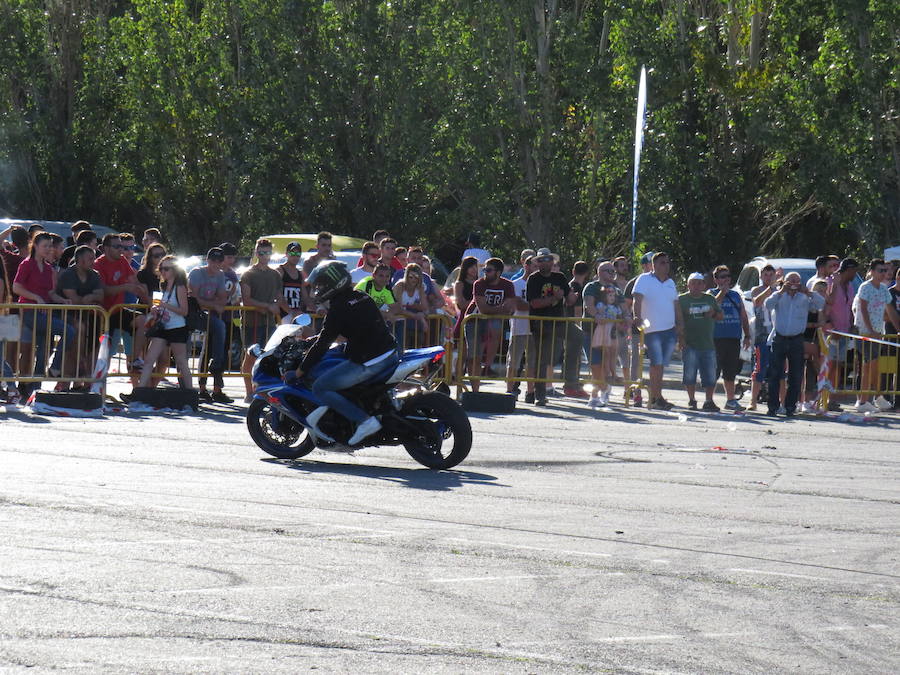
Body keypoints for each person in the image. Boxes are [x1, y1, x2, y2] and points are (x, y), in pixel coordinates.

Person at [292, 261, 399, 446]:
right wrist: (316, 340)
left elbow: (323, 344)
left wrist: (299, 371)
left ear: (333, 284)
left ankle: (364, 421)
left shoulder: (338, 308)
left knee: (320, 387)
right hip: (389, 351)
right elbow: (356, 329)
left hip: (370, 361)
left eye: (321, 285)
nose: (318, 289)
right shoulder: (361, 296)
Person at [11, 232, 76, 386]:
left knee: (42, 352)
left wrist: (63, 300)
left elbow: (50, 293)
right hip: (29, 312)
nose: (48, 249)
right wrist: (36, 298)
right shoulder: (27, 264)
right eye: (45, 246)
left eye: (50, 246)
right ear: (35, 246)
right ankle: (54, 368)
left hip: (44, 312)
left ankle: (35, 388)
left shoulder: (48, 268)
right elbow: (16, 287)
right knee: (69, 331)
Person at [526, 247, 586, 405]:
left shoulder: (560, 277)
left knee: (578, 336)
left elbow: (569, 299)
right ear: (537, 263)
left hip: (559, 320)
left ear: (553, 261)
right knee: (542, 359)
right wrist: (554, 298)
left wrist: (573, 297)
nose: (546, 262)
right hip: (541, 323)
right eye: (542, 260)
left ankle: (570, 376)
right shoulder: (533, 279)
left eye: (548, 259)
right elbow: (534, 303)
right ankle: (539, 394)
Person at [764, 272, 826, 417]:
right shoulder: (779, 296)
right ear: (785, 282)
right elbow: (768, 304)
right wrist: (781, 291)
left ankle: (790, 407)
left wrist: (808, 292)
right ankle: (773, 406)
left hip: (797, 339)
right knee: (774, 374)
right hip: (779, 338)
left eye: (796, 281)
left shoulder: (804, 298)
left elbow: (821, 304)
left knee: (796, 375)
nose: (793, 284)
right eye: (791, 281)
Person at [129, 256, 193, 395]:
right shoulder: (163, 286)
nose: (163, 271)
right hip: (162, 326)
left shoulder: (180, 287)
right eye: (161, 268)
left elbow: (184, 311)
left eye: (167, 269)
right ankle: (139, 393)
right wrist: (155, 310)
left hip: (177, 327)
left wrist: (165, 305)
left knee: (181, 362)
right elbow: (160, 306)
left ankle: (191, 394)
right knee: (149, 360)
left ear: (175, 270)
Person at [240, 238, 289, 402]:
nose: (264, 256)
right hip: (251, 322)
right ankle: (248, 392)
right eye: (261, 252)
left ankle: (262, 392)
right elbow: (246, 299)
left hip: (269, 323)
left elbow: (279, 297)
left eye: (267, 253)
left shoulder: (275, 275)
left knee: (269, 359)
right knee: (251, 357)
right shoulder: (248, 274)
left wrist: (283, 307)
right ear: (256, 253)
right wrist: (268, 306)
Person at [632, 252, 681, 410]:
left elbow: (676, 304)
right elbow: (637, 298)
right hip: (652, 330)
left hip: (669, 329)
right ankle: (655, 397)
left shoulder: (671, 283)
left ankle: (657, 396)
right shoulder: (645, 279)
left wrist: (680, 325)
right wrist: (637, 316)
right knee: (656, 363)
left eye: (667, 262)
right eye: (662, 262)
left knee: (661, 365)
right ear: (653, 265)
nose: (666, 265)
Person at [94, 233, 150, 372]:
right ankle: (96, 386)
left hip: (118, 311)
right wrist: (124, 287)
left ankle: (135, 360)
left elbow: (134, 282)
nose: (121, 249)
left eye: (122, 246)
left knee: (143, 320)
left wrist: (147, 297)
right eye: (117, 246)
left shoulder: (122, 261)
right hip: (103, 314)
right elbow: (103, 290)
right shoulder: (98, 265)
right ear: (106, 249)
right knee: (104, 352)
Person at [853, 259, 900, 412]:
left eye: (885, 271)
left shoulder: (884, 289)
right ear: (872, 271)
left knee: (874, 365)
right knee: (868, 365)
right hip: (864, 332)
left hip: (878, 333)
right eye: (880, 270)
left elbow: (890, 310)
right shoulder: (865, 287)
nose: (884, 273)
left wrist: (898, 328)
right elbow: (863, 309)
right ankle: (863, 401)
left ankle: (877, 397)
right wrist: (870, 329)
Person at [464, 257, 516, 392]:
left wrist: (500, 310)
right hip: (474, 319)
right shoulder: (479, 284)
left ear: (498, 272)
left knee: (496, 328)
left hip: (493, 320)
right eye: (484, 269)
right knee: (473, 356)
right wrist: (500, 309)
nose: (485, 272)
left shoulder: (508, 285)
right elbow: (483, 309)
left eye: (489, 270)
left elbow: (510, 308)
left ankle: (488, 366)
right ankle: (475, 389)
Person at [56, 245, 105, 384]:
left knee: (94, 342)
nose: (93, 261)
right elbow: (74, 300)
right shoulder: (68, 274)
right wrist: (90, 299)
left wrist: (88, 298)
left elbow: (100, 296)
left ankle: (84, 379)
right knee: (78, 332)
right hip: (65, 314)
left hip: (88, 316)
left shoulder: (94, 274)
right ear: (80, 259)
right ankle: (71, 375)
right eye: (90, 258)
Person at [189, 247, 232, 404]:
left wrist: (209, 304)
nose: (215, 263)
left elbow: (223, 299)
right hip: (189, 313)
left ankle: (216, 372)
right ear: (207, 260)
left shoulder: (221, 275)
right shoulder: (196, 273)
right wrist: (212, 304)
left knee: (219, 328)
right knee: (186, 350)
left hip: (205, 315)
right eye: (212, 260)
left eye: (219, 261)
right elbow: (194, 298)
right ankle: (193, 388)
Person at [679, 273, 723, 411]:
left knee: (710, 375)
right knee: (689, 374)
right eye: (693, 283)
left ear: (704, 285)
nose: (696, 286)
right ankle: (692, 400)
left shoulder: (709, 299)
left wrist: (713, 314)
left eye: (699, 283)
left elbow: (720, 316)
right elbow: (677, 321)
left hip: (707, 343)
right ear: (688, 285)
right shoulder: (681, 299)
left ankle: (709, 401)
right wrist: (680, 339)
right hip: (689, 343)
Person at [710, 265, 751, 411]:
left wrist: (747, 335)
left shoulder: (735, 295)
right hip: (716, 338)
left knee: (730, 371)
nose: (726, 279)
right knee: (713, 371)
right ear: (716, 279)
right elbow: (712, 307)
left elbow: (743, 316)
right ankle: (709, 400)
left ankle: (731, 400)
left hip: (733, 337)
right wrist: (722, 292)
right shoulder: (711, 293)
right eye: (722, 277)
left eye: (728, 276)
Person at [622, 252, 654, 406]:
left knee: (656, 362)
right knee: (636, 362)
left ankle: (655, 394)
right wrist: (629, 324)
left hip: (656, 329)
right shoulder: (634, 282)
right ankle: (636, 393)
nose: (654, 266)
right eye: (651, 263)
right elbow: (626, 305)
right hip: (637, 330)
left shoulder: (662, 282)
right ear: (644, 265)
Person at [824, 257, 858, 404]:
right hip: (830, 334)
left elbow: (849, 308)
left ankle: (833, 399)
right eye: (854, 272)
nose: (854, 275)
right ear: (848, 270)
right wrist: (831, 328)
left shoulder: (850, 287)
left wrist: (852, 324)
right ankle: (822, 398)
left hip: (844, 332)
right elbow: (825, 306)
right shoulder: (830, 282)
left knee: (839, 366)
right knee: (829, 365)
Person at [747, 264, 780, 411]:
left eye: (771, 275)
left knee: (779, 371)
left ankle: (779, 402)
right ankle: (753, 401)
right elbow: (757, 302)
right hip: (761, 336)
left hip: (777, 336)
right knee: (759, 368)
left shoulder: (779, 291)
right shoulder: (757, 290)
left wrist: (778, 287)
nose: (768, 278)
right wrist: (771, 287)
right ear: (761, 277)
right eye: (765, 275)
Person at [587, 285, 623, 407]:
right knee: (601, 357)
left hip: (611, 331)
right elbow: (595, 311)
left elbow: (620, 317)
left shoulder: (617, 308)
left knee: (611, 354)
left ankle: (612, 373)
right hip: (602, 330)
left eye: (613, 295)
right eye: (609, 295)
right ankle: (602, 387)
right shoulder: (601, 306)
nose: (612, 297)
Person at [506, 254, 535, 401]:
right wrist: (537, 305)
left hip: (534, 328)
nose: (536, 269)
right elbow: (518, 304)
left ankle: (531, 392)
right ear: (526, 266)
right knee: (514, 360)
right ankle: (510, 389)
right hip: (519, 327)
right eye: (534, 265)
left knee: (532, 361)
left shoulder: (538, 285)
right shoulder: (516, 284)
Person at [392, 263, 430, 347]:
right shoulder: (400, 285)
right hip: (392, 319)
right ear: (406, 276)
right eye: (410, 277)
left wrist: (422, 315)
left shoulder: (420, 287)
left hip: (406, 320)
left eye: (416, 277)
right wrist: (416, 316)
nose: (413, 280)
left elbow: (425, 308)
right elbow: (397, 308)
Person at [279, 241, 312, 315]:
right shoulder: (280, 271)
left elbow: (306, 298)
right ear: (286, 254)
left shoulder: (300, 274)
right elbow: (278, 295)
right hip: (282, 315)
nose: (295, 257)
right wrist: (291, 312)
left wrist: (318, 309)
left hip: (296, 314)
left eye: (298, 254)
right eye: (292, 254)